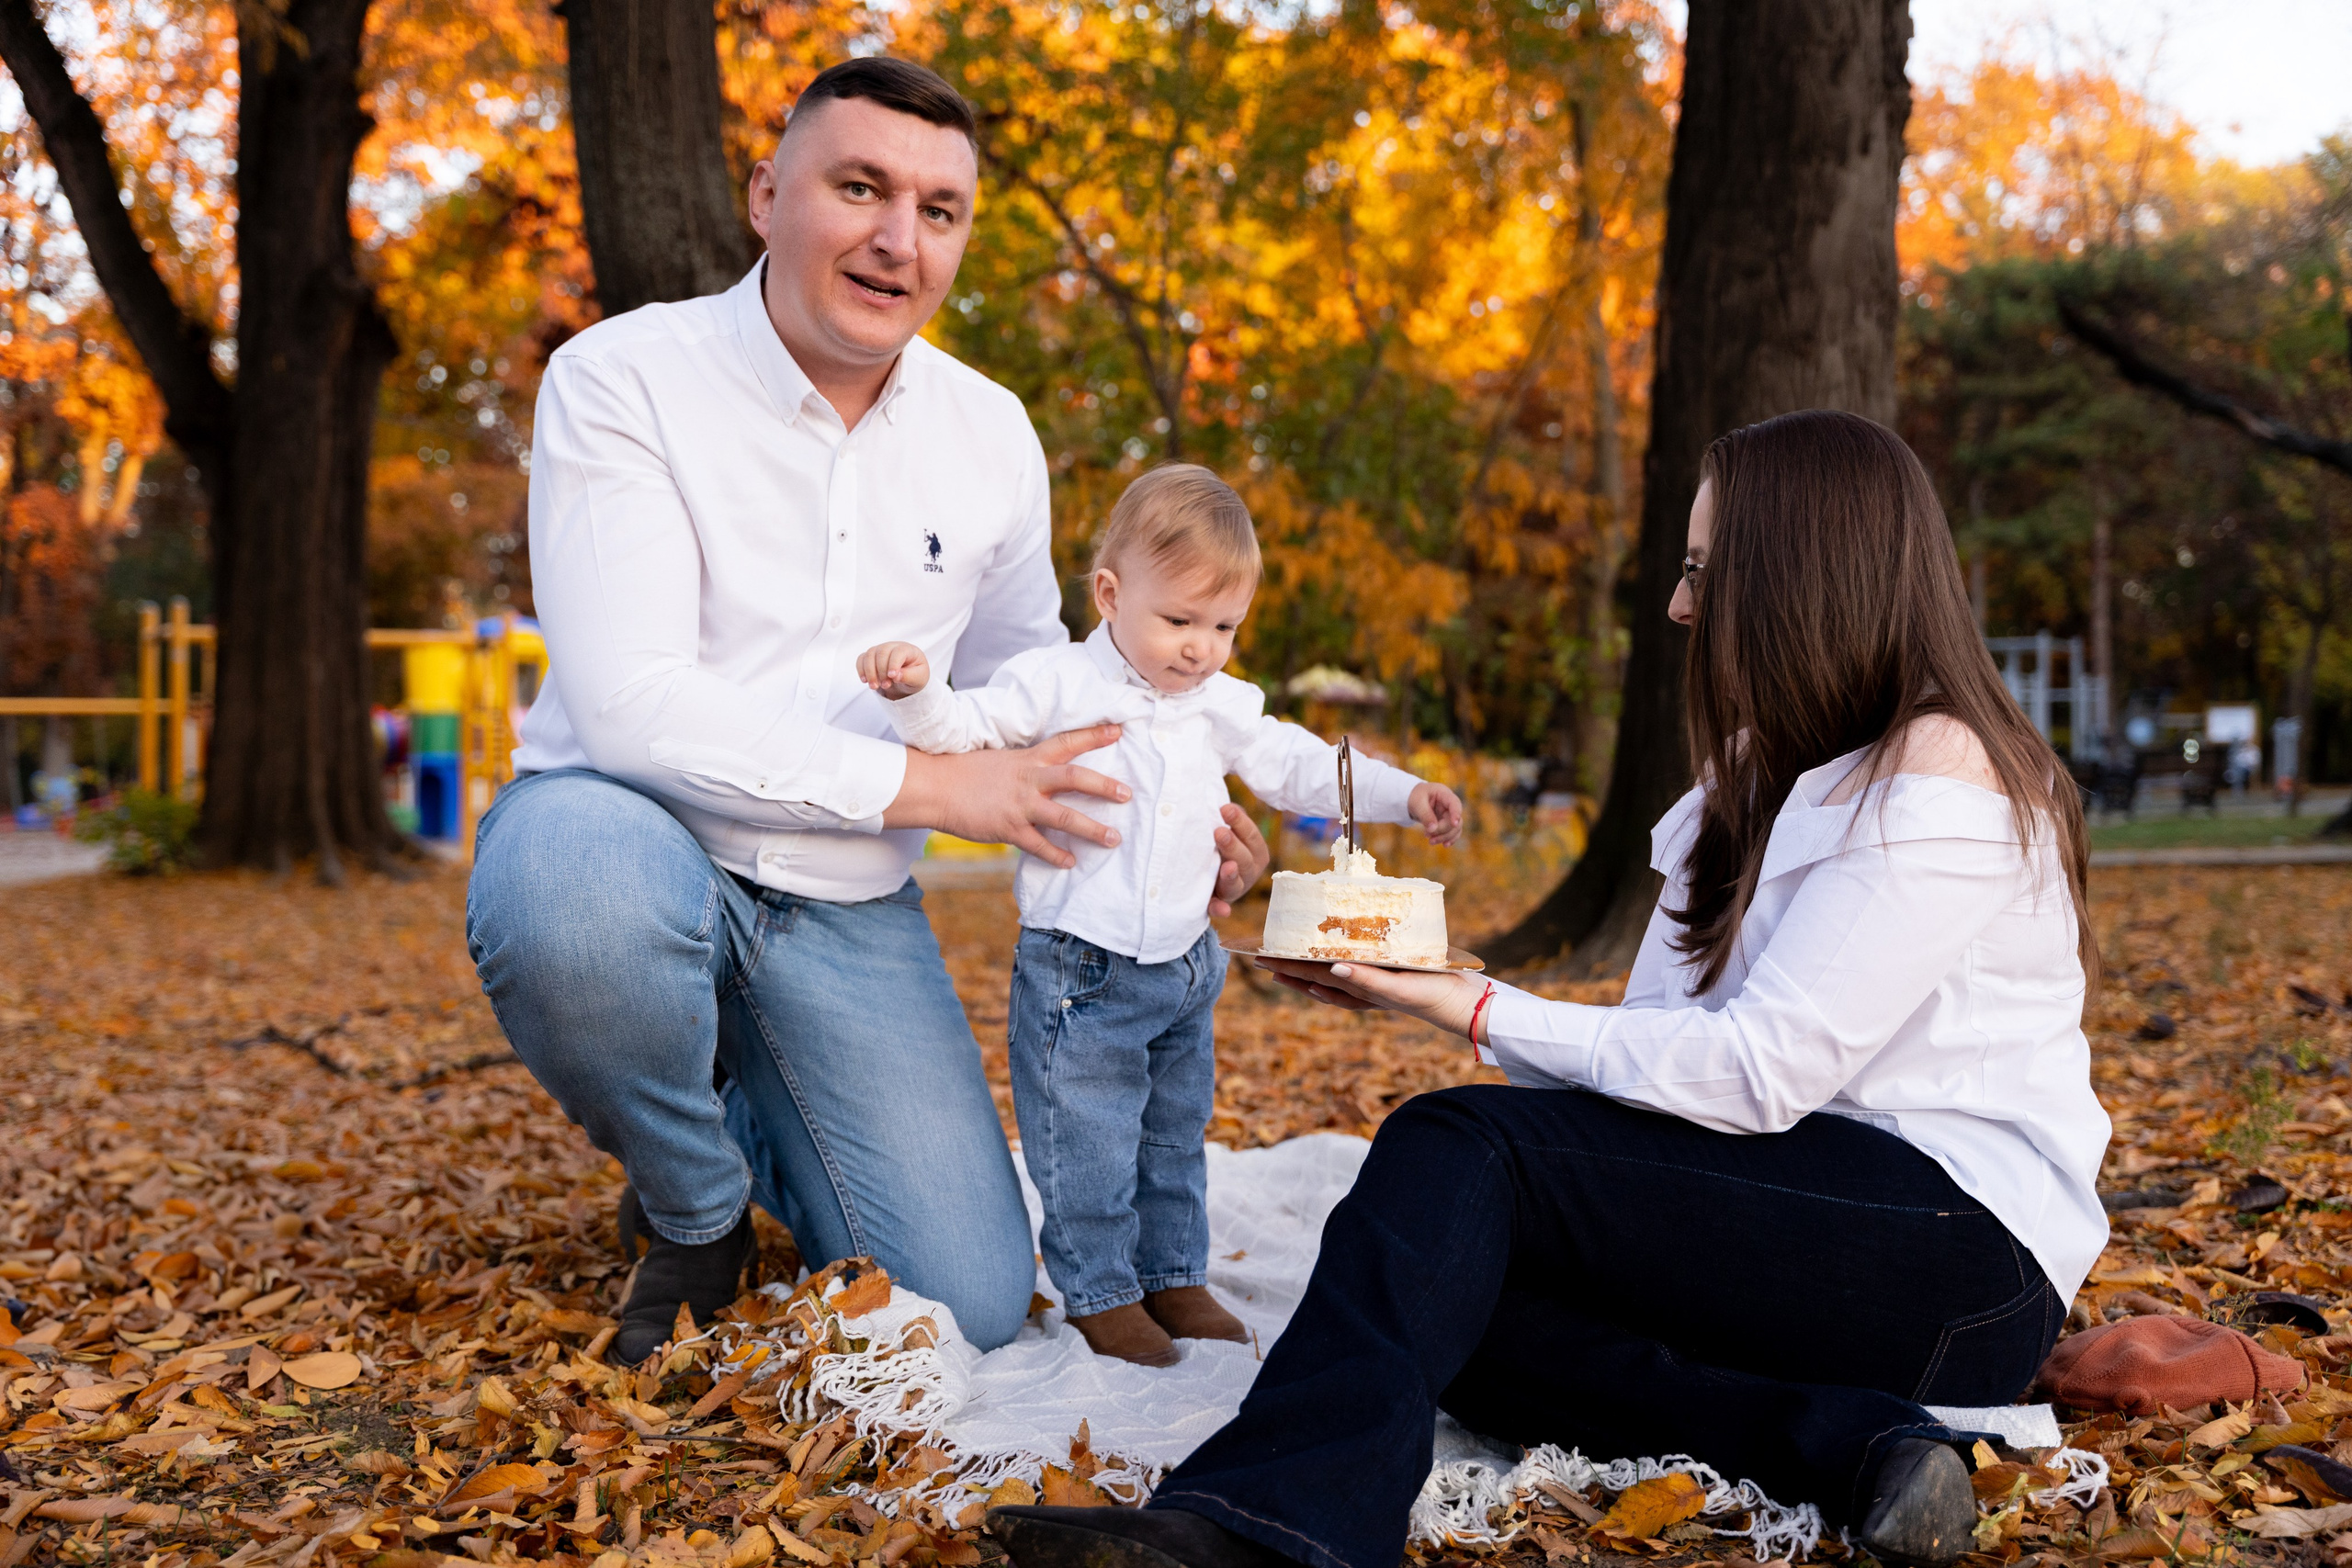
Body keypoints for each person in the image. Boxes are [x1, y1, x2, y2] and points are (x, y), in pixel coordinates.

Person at [988, 410, 2110, 1568]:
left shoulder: (1944, 772)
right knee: (1451, 1299)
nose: (1679, 604)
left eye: (1699, 569)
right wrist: (1422, 982)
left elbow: (1761, 1071)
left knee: (1456, 1148)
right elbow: (1660, 1053)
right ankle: (1855, 1442)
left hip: (1951, 1253)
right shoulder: (1755, 769)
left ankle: (1267, 1530)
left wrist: (1467, 1014)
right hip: (1788, 1210)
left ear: (1797, 569)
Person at [464, 57, 1272, 1367]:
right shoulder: (624, 377)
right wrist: (940, 793)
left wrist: (1175, 807)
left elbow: (1039, 691)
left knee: (968, 1293)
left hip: (843, 907)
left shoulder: (991, 431)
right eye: (860, 188)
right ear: (768, 195)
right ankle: (694, 1202)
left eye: (940, 210)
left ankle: (738, 1096)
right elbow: (630, 703)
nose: (901, 239)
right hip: (635, 838)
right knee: (574, 899)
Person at [857, 464, 1465, 1368]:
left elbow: (1301, 766)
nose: (1199, 647)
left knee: (1174, 1136)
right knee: (1089, 1143)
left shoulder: (1221, 703)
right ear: (1110, 593)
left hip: (1184, 963)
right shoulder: (1055, 683)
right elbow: (966, 732)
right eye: (1178, 620)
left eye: (1222, 626)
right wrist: (916, 694)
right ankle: (1102, 1291)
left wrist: (1404, 792)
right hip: (1083, 972)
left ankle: (1174, 1272)